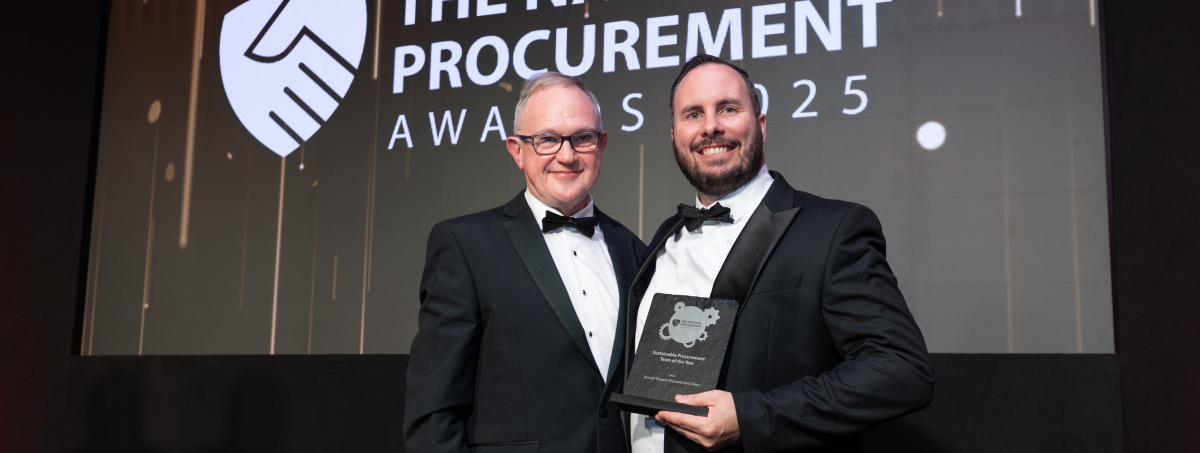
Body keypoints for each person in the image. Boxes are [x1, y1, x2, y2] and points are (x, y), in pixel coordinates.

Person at [625, 55, 934, 453]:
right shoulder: (663, 237)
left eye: (728, 109)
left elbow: (901, 370)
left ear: (761, 125)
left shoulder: (833, 228)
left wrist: (751, 417)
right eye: (693, 114)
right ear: (674, 135)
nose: (710, 126)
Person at [404, 72, 644, 453]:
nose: (567, 155)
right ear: (517, 150)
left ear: (601, 145)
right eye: (547, 139)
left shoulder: (635, 251)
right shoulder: (466, 246)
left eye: (582, 137)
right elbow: (432, 415)